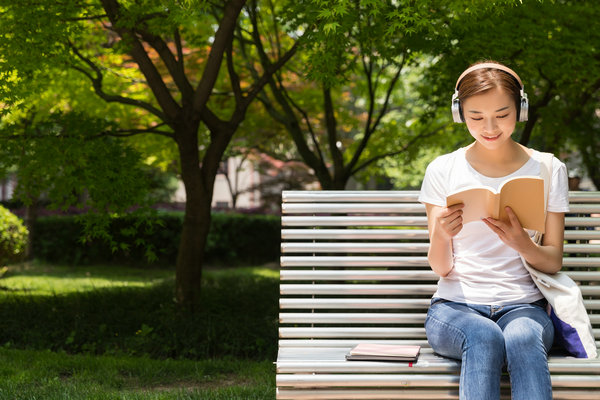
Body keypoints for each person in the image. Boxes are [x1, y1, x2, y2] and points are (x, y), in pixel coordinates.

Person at [418, 61, 569, 400]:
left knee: (521, 337)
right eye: (476, 117)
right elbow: (440, 268)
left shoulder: (548, 168)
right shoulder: (443, 169)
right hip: (453, 308)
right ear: (459, 113)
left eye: (502, 115)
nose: (490, 127)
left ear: (522, 108)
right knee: (484, 336)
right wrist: (442, 234)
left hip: (524, 307)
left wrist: (521, 243)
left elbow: (553, 261)